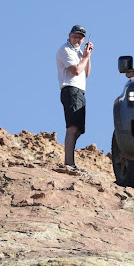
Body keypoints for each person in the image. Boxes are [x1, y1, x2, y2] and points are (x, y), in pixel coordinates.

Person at [56, 25, 94, 168]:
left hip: (79, 91)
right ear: (69, 35)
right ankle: (69, 163)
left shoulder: (78, 52)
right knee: (72, 127)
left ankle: (69, 159)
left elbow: (87, 73)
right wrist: (85, 57)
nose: (77, 39)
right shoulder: (65, 50)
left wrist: (87, 56)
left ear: (83, 39)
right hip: (70, 89)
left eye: (80, 37)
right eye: (75, 36)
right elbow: (77, 70)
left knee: (78, 128)